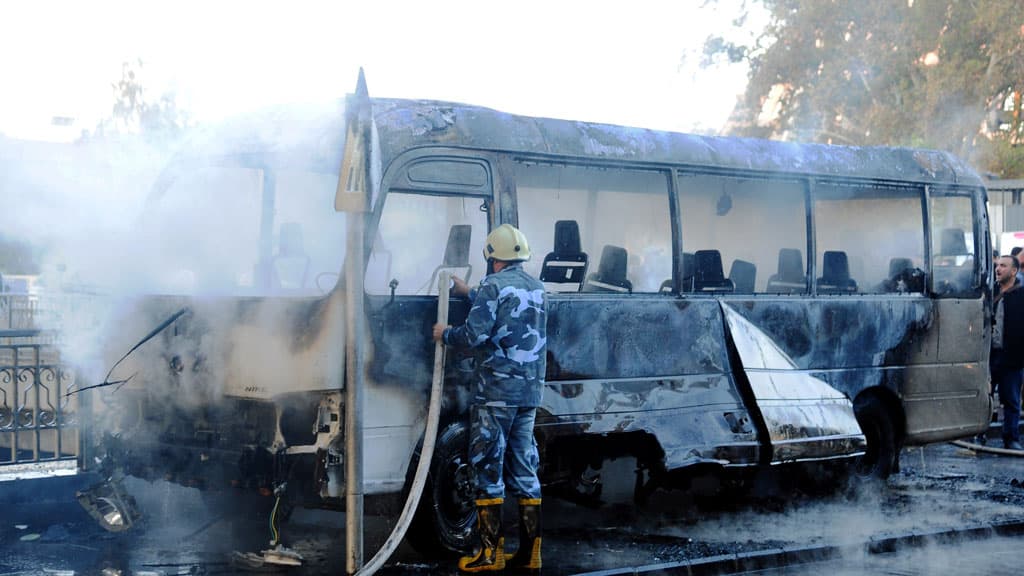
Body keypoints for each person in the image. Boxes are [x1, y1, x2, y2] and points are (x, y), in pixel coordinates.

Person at [432, 223, 547, 573]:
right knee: (525, 469)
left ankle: (489, 554)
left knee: (487, 469)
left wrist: (446, 333)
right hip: (529, 393)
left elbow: (475, 333)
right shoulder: (538, 287)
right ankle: (530, 554)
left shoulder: (494, 286)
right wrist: (471, 292)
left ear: (492, 257)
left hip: (496, 394)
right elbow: (508, 311)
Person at [991, 255, 1024, 451]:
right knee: (984, 396)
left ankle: (1011, 437)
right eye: (997, 265)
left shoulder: (1021, 295)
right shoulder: (989, 292)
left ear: (1014, 271)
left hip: (1012, 355)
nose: (998, 269)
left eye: (1003, 266)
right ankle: (977, 435)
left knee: (1011, 399)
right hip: (989, 355)